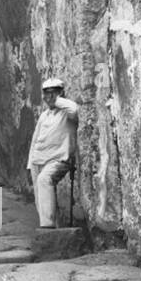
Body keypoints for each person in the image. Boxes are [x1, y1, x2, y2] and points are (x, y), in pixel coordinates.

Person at [26, 77, 79, 230]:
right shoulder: (44, 116)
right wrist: (30, 164)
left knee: (44, 180)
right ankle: (50, 226)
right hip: (39, 160)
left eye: (52, 93)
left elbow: (74, 109)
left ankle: (47, 227)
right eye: (46, 94)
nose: (48, 97)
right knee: (41, 198)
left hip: (59, 159)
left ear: (60, 94)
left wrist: (57, 100)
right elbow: (35, 140)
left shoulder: (67, 113)